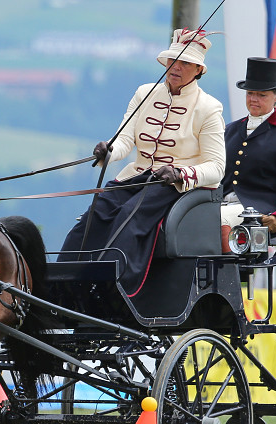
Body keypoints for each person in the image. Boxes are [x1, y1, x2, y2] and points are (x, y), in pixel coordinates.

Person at [58, 28, 225, 297]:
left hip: (175, 185)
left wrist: (181, 173)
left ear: (198, 70)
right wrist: (108, 150)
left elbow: (217, 167)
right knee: (95, 214)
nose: (175, 67)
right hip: (135, 177)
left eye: (184, 62)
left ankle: (112, 289)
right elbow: (124, 139)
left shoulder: (209, 108)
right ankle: (60, 286)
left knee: (130, 216)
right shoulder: (144, 93)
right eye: (173, 60)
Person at [220, 57, 276, 252]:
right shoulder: (229, 131)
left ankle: (228, 280)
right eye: (250, 93)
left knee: (219, 222)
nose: (253, 99)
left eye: (261, 95)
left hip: (258, 214)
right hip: (221, 204)